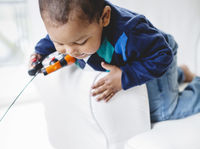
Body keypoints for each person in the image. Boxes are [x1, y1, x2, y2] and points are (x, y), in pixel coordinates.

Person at [29, 0, 200, 122]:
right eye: (60, 43)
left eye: (80, 42)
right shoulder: (71, 32)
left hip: (155, 54)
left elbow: (163, 55)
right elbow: (55, 38)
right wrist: (40, 52)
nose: (70, 51)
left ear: (104, 17)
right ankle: (181, 73)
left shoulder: (130, 31)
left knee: (162, 112)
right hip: (137, 56)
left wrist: (125, 76)